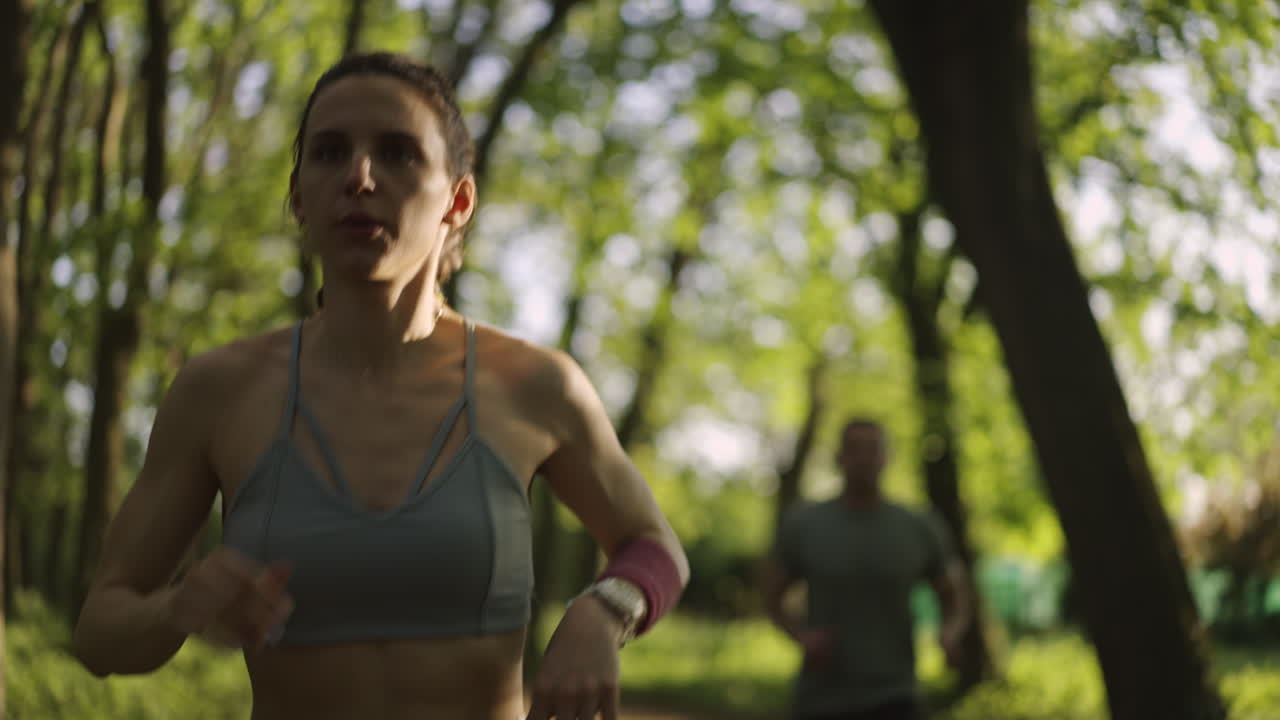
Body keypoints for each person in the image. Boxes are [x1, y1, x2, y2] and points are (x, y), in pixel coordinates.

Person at [72, 52, 689, 720]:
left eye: (398, 154)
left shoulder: (536, 385)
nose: (359, 177)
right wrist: (178, 608)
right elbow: (99, 631)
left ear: (458, 201)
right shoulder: (220, 391)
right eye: (329, 152)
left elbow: (655, 548)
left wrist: (604, 611)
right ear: (299, 197)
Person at [761, 418, 971, 720]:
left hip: (896, 695)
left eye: (872, 449)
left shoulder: (918, 527)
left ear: (886, 458)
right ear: (839, 457)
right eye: (854, 449)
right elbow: (770, 596)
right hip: (821, 699)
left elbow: (954, 596)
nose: (863, 458)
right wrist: (801, 636)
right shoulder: (805, 525)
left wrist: (949, 634)